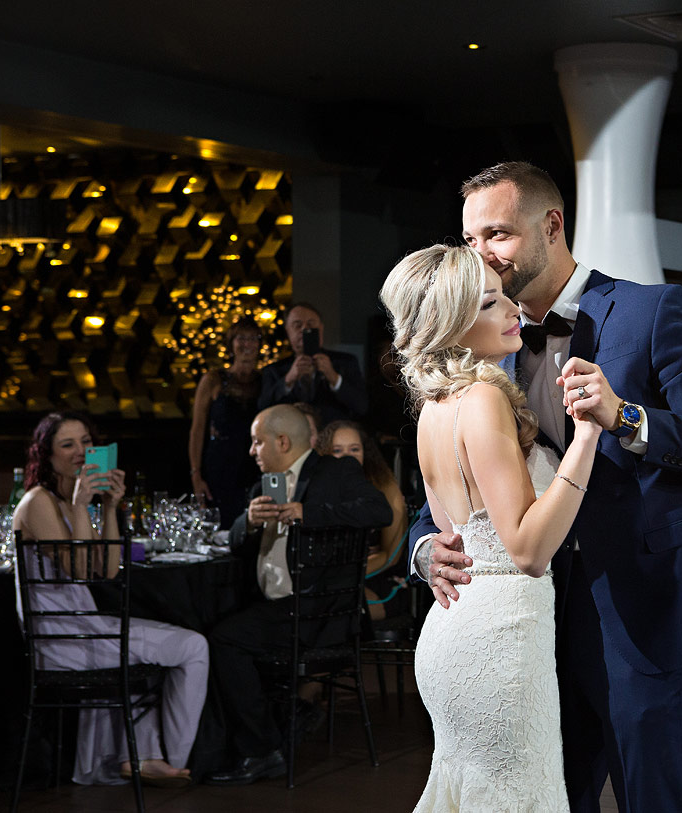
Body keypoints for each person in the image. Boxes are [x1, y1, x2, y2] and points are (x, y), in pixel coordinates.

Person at [414, 161, 682, 811]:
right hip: (534, 630)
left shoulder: (652, 310)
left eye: (497, 234)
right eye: (471, 241)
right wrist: (421, 547)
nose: (482, 255)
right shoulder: (489, 337)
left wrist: (628, 417)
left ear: (552, 225)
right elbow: (448, 482)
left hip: (647, 612)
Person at [381, 242, 602, 810]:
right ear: (449, 325)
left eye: (504, 296)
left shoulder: (435, 404)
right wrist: (587, 438)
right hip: (500, 641)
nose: (510, 311)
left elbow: (457, 523)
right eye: (488, 304)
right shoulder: (481, 398)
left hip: (456, 634)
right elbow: (527, 549)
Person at [12, 412, 208, 787]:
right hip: (59, 634)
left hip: (83, 623)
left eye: (86, 442)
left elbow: (110, 570)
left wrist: (109, 506)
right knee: (193, 647)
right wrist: (80, 504)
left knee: (179, 643)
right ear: (47, 455)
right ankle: (176, 760)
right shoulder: (38, 501)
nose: (81, 452)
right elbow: (83, 571)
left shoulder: (69, 498)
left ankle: (142, 757)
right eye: (67, 444)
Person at [205, 404, 394, 785]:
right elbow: (235, 541)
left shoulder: (335, 471)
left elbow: (379, 511)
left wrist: (307, 513)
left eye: (257, 442)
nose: (252, 451)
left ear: (283, 441)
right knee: (214, 621)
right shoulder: (264, 485)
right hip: (274, 605)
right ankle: (246, 738)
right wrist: (249, 522)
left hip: (317, 611)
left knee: (224, 640)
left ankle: (261, 749)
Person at [317, 420, 409, 622]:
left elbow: (391, 556)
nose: (347, 457)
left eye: (355, 449)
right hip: (326, 583)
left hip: (376, 578)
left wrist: (342, 576)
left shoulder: (385, 487)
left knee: (334, 610)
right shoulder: (318, 489)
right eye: (338, 450)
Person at [189, 316, 264, 529]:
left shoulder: (266, 380)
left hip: (254, 464)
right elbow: (197, 430)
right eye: (241, 338)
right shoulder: (213, 379)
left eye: (253, 338)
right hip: (219, 465)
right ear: (231, 343)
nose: (247, 344)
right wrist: (196, 474)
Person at [258, 302, 368, 423]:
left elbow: (361, 407)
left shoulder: (346, 362)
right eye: (297, 325)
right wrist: (288, 379)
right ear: (287, 331)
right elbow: (263, 409)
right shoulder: (273, 371)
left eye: (311, 324)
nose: (305, 329)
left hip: (333, 434)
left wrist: (334, 378)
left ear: (321, 328)